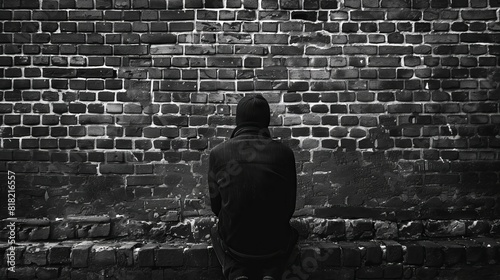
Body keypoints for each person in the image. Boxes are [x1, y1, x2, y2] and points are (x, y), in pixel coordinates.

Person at [208, 95, 298, 280]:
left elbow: (216, 208)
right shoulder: (285, 154)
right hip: (273, 247)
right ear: (266, 120)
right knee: (292, 234)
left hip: (235, 247)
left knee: (215, 231)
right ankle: (271, 273)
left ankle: (236, 272)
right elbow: (289, 208)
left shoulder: (218, 153)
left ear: (238, 120)